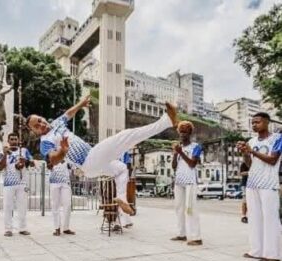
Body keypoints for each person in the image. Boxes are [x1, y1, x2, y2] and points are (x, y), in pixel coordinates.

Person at [26, 96, 178, 216]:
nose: (41, 124)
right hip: (88, 160)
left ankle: (122, 199)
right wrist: (63, 151)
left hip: (93, 164)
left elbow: (68, 114)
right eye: (37, 126)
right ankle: (166, 121)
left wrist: (81, 104)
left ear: (42, 117)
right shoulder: (45, 142)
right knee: (126, 135)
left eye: (40, 120)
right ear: (35, 131)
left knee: (121, 169)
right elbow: (53, 158)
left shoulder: (57, 123)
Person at [237, 112, 282, 261]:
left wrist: (252, 151)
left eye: (258, 122)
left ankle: (272, 254)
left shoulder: (277, 138)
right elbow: (250, 164)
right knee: (254, 218)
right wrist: (245, 153)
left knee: (270, 219)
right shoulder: (252, 140)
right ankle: (256, 250)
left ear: (267, 122)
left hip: (268, 184)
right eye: (253, 122)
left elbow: (273, 160)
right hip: (252, 184)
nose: (254, 125)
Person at [171, 121, 203, 246]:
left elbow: (192, 164)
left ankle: (196, 237)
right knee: (178, 208)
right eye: (181, 131)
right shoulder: (178, 147)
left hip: (190, 181)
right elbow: (174, 166)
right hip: (179, 181)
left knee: (191, 209)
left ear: (190, 132)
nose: (182, 133)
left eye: (185, 131)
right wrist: (175, 154)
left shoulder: (196, 147)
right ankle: (181, 234)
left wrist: (181, 152)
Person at [0, 132, 34, 237]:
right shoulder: (0, 152)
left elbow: (32, 163)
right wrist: (4, 154)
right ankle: (8, 229)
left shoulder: (24, 151)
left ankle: (22, 228)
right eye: (11, 139)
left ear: (18, 140)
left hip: (22, 183)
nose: (13, 141)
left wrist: (24, 160)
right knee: (8, 206)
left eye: (15, 139)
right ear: (8, 141)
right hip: (8, 183)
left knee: (22, 206)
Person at [48, 161, 75, 236]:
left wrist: (68, 163)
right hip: (54, 182)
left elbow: (72, 166)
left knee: (68, 204)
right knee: (55, 205)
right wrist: (51, 163)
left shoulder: (67, 155)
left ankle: (66, 228)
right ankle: (57, 228)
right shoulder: (50, 152)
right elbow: (48, 165)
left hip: (65, 182)